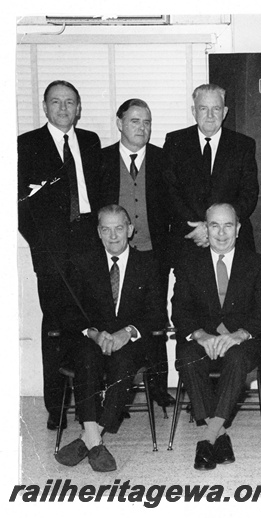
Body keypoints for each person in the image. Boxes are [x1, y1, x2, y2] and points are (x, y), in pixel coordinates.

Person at [18, 79, 103, 430]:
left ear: (79, 107)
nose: (64, 108)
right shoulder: (26, 144)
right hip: (51, 248)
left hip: (87, 239)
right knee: (55, 327)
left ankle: (93, 401)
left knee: (92, 318)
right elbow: (18, 204)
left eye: (70, 102)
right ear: (45, 106)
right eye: (56, 102)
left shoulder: (90, 141)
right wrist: (39, 243)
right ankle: (57, 406)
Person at [54, 205, 163, 472]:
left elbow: (157, 315)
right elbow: (68, 312)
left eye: (119, 228)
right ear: (99, 232)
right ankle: (94, 438)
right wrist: (93, 333)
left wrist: (127, 332)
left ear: (130, 229)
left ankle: (88, 438)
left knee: (123, 362)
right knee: (86, 357)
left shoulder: (148, 264)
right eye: (106, 229)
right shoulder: (83, 262)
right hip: (93, 341)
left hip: (130, 342)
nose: (113, 236)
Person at [171, 203, 261, 471]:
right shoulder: (188, 263)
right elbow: (179, 310)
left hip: (241, 343)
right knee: (187, 355)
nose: (221, 232)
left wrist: (239, 335)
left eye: (228, 225)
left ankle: (207, 436)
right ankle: (219, 435)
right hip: (203, 341)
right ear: (205, 229)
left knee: (238, 357)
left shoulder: (257, 263)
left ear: (238, 229)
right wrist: (201, 335)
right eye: (214, 225)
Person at [98, 98, 174, 410]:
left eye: (146, 122)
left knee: (153, 320)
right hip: (113, 251)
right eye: (134, 121)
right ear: (119, 123)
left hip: (153, 251)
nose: (141, 128)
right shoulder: (100, 159)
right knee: (114, 316)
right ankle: (117, 390)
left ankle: (157, 387)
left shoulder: (163, 159)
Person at [163, 83, 259, 259]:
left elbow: (249, 194)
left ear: (225, 112)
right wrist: (199, 228)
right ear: (194, 111)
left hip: (231, 241)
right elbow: (170, 191)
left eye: (216, 108)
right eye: (203, 108)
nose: (209, 115)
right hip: (190, 237)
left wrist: (218, 227)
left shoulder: (243, 145)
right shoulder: (175, 142)